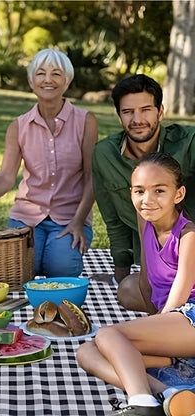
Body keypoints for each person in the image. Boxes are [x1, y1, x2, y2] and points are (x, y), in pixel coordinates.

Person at [77, 153, 195, 416]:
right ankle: (166, 394)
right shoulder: (146, 221)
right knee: (87, 351)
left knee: (108, 335)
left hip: (189, 317)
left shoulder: (189, 236)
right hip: (173, 326)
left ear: (179, 194)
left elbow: (178, 297)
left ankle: (142, 404)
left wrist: (153, 335)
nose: (147, 200)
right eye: (139, 191)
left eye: (159, 191)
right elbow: (147, 276)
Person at [0, 48, 98, 277]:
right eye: (41, 73)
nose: (48, 80)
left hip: (70, 217)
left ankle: (57, 253)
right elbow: (6, 177)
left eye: (56, 74)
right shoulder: (18, 126)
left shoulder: (86, 121)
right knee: (21, 271)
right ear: (30, 81)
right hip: (26, 217)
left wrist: (78, 221)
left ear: (67, 80)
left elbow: (91, 176)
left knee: (61, 269)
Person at [92, 74, 195, 312]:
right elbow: (113, 220)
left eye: (146, 109)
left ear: (160, 111)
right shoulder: (105, 154)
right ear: (119, 115)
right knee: (126, 290)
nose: (137, 119)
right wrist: (120, 273)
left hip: (188, 247)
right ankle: (170, 313)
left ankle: (174, 317)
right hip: (156, 261)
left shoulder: (188, 142)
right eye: (128, 112)